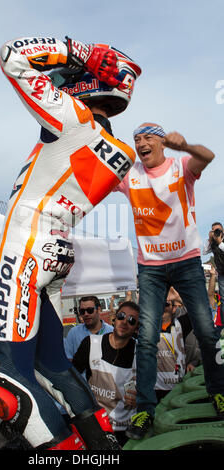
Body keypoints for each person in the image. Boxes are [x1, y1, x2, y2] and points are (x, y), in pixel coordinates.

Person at [0, 35, 141, 450]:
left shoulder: (72, 119)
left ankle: (59, 452)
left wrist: (76, 50)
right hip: (56, 250)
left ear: (77, 85)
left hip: (27, 244)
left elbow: (11, 56)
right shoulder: (117, 151)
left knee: (3, 375)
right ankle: (102, 447)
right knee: (51, 362)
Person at [113, 122, 224, 440]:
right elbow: (98, 176)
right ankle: (145, 410)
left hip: (187, 264)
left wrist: (186, 146)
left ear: (162, 143)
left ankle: (219, 392)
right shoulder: (131, 174)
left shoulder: (180, 166)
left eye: (148, 138)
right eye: (137, 140)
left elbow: (209, 155)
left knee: (206, 332)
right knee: (146, 339)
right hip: (151, 268)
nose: (141, 144)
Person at [72, 301, 139, 446]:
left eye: (131, 320)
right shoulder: (90, 343)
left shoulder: (140, 352)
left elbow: (149, 389)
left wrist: (139, 397)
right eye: (121, 316)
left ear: (136, 328)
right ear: (114, 319)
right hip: (97, 427)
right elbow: (72, 379)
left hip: (124, 430)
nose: (125, 322)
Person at [155, 298, 199, 402]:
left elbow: (196, 309)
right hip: (155, 389)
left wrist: (177, 298)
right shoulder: (147, 328)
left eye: (166, 304)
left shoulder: (181, 324)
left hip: (178, 387)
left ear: (174, 308)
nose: (162, 307)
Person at [64, 295, 113, 361]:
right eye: (82, 311)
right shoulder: (73, 333)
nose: (86, 314)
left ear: (98, 310)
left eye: (90, 310)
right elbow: (68, 359)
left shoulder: (111, 332)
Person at [203, 222, 224, 327]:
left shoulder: (221, 242)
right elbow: (204, 251)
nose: (216, 232)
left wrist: (220, 242)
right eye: (214, 230)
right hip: (221, 274)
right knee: (223, 299)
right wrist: (210, 239)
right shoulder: (214, 242)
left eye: (218, 230)